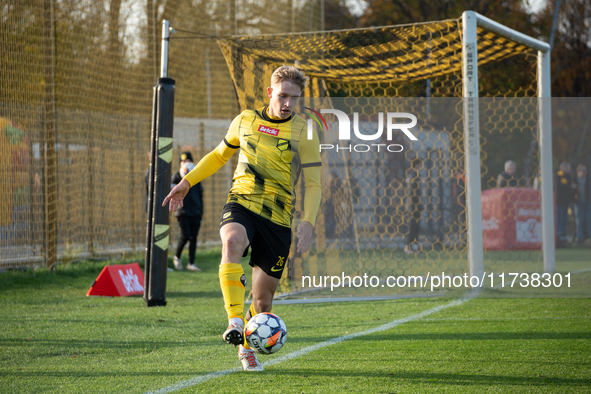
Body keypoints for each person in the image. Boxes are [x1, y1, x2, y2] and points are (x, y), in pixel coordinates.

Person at [162, 66, 321, 371]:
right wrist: (187, 182)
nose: (288, 103)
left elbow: (314, 182)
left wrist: (308, 220)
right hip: (242, 202)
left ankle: (247, 346)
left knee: (262, 302)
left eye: (295, 98)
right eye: (284, 95)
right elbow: (220, 155)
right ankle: (234, 320)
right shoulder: (245, 120)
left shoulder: (306, 131)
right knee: (232, 240)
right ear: (270, 92)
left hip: (278, 218)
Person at [171, 152, 204, 271]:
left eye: (188, 161)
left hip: (195, 211)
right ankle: (177, 257)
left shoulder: (196, 176)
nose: (186, 164)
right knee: (185, 235)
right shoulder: (176, 176)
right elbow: (172, 190)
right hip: (182, 211)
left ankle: (191, 263)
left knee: (193, 237)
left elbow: (200, 195)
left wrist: (201, 211)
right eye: (183, 162)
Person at [404, 159, 423, 254]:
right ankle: (408, 247)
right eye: (420, 164)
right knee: (412, 227)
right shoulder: (412, 176)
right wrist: (416, 204)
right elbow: (412, 192)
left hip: (416, 205)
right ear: (416, 165)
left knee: (416, 227)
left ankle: (415, 247)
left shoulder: (415, 176)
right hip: (413, 206)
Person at [556, 162, 576, 246]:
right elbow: (559, 187)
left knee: (565, 220)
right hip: (559, 202)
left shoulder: (569, 176)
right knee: (559, 220)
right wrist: (570, 186)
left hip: (567, 202)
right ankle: (558, 237)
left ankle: (563, 237)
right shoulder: (558, 175)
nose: (570, 169)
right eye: (569, 167)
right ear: (564, 168)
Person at [574, 164, 591, 244]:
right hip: (578, 203)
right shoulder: (574, 179)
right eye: (583, 170)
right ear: (579, 171)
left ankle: (589, 238)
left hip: (587, 202)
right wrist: (576, 188)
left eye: (585, 171)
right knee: (579, 220)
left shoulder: (588, 178)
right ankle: (579, 238)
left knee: (588, 220)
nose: (585, 172)